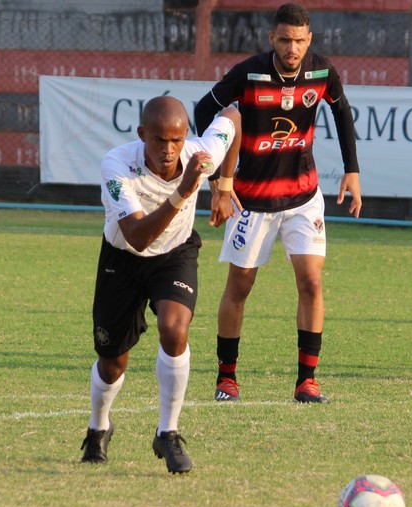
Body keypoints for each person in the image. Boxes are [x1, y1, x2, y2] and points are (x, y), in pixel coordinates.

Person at [194, 2, 362, 404]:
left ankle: (307, 382)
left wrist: (352, 170)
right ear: (272, 38)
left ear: (309, 39)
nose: (292, 48)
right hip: (252, 201)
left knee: (312, 282)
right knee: (240, 286)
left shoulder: (322, 71)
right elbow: (204, 111)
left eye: (300, 41)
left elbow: (342, 112)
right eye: (285, 40)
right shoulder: (248, 73)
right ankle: (226, 379)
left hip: (304, 198)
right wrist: (219, 180)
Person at [80, 96, 240, 473]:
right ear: (142, 134)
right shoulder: (117, 165)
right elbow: (138, 237)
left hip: (174, 254)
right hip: (123, 258)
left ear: (186, 136)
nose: (169, 150)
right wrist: (183, 191)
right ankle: (98, 427)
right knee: (113, 362)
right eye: (159, 140)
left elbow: (233, 116)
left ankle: (168, 432)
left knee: (174, 328)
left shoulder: (200, 153)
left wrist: (224, 185)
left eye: (177, 140)